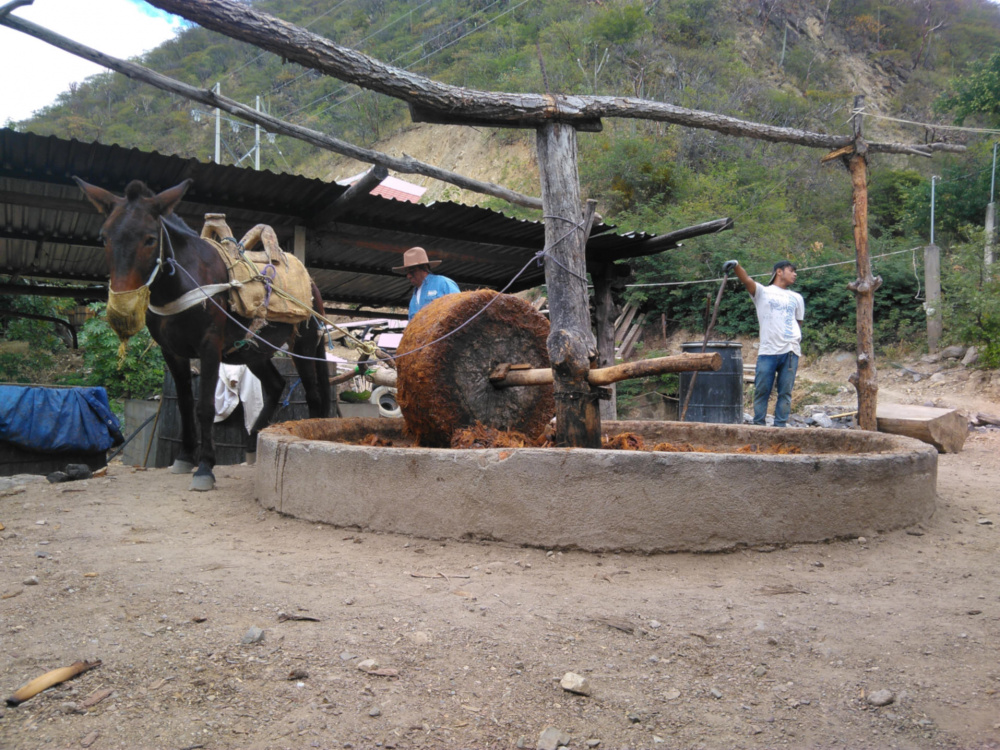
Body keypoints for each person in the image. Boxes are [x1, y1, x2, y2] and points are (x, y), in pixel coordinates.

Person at [722, 259, 805, 427]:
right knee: (762, 390)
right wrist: (737, 265)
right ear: (779, 272)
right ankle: (759, 425)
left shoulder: (797, 297)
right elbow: (747, 280)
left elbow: (798, 323)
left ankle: (780, 426)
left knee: (785, 392)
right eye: (792, 270)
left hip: (790, 351)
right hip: (768, 351)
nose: (795, 274)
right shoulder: (763, 292)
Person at [393, 246, 460, 319]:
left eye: (412, 271)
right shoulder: (414, 298)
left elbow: (459, 308)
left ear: (424, 268)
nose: (408, 276)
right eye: (407, 272)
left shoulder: (443, 283)